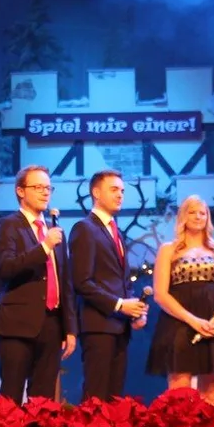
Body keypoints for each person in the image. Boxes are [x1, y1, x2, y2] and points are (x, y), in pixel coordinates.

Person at [0, 165, 77, 402]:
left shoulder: (54, 230)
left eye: (48, 187)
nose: (45, 192)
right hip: (17, 324)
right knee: (11, 395)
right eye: (38, 187)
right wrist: (43, 248)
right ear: (20, 191)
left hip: (51, 324)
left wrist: (69, 328)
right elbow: (5, 268)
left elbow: (65, 282)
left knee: (44, 399)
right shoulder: (8, 225)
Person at [147, 195, 214, 406]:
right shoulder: (168, 249)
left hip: (213, 325)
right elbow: (160, 294)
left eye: (203, 212)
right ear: (183, 216)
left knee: (210, 393)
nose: (198, 217)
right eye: (192, 212)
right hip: (178, 323)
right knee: (179, 390)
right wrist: (192, 320)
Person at [69, 169, 148, 400]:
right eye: (114, 189)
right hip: (98, 325)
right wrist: (119, 305)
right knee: (96, 395)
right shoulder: (85, 228)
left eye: (122, 190)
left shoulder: (115, 231)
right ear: (96, 193)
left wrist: (135, 311)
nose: (120, 195)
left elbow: (120, 280)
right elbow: (82, 281)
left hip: (119, 327)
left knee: (114, 398)